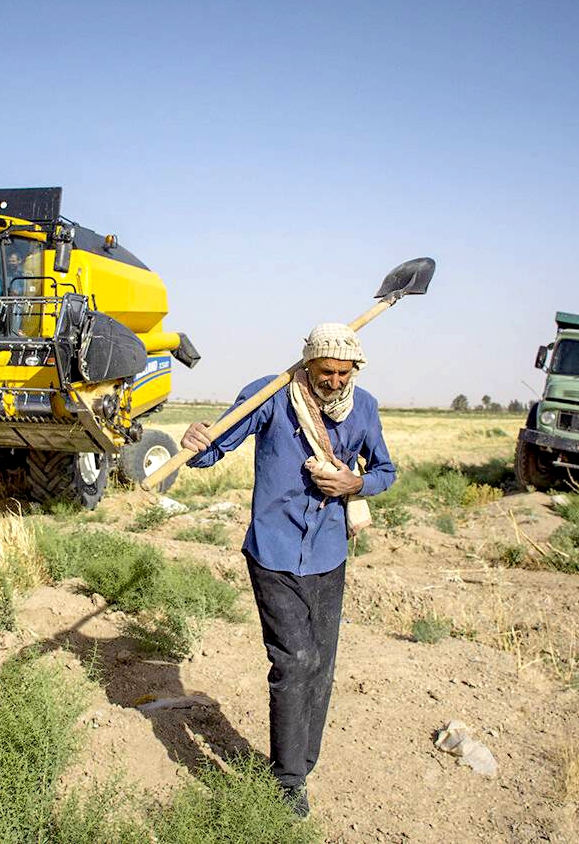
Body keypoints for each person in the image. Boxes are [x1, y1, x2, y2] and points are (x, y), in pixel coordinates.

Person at [181, 323, 396, 818]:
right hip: (274, 552)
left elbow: (386, 471)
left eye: (345, 373)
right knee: (295, 660)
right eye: (327, 372)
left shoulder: (364, 407)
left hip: (328, 553)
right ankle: (287, 781)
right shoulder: (272, 393)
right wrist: (197, 440)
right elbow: (213, 449)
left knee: (321, 664)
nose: (336, 381)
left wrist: (352, 482)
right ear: (307, 365)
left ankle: (304, 761)